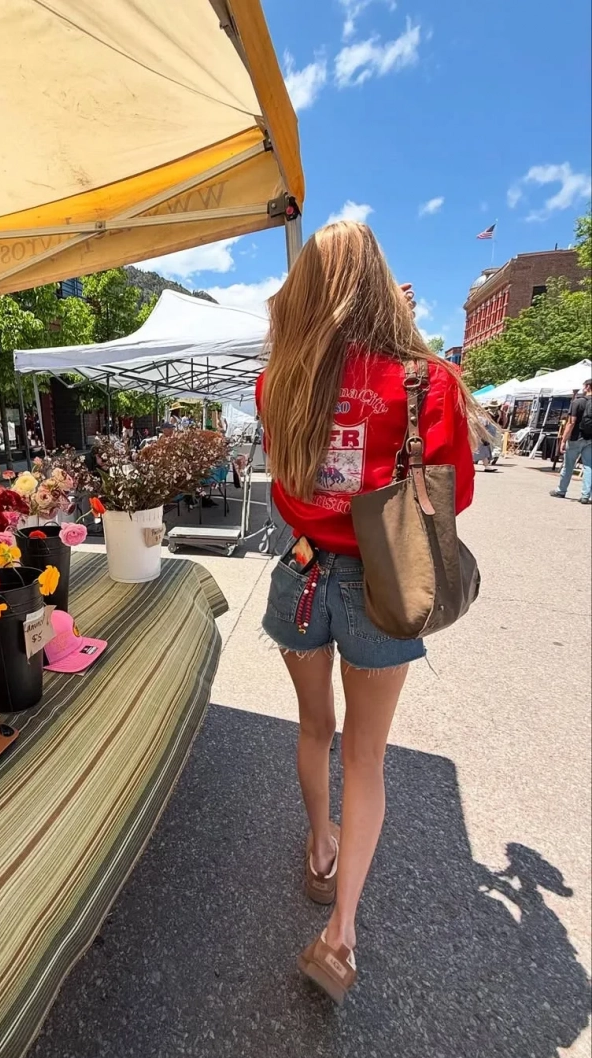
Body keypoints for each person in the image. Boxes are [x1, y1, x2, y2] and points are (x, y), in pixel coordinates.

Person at [257, 221, 480, 1004]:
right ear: (382, 282)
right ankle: (342, 929)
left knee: (313, 728)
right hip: (383, 585)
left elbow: (284, 482)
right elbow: (456, 494)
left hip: (302, 573)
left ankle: (318, 849)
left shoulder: (280, 379)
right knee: (366, 755)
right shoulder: (430, 381)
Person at [550, 378, 592, 503]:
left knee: (568, 465)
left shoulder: (577, 402)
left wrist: (564, 439)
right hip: (590, 438)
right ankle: (585, 495)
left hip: (575, 437)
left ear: (587, 387)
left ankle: (561, 490)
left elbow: (571, 422)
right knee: (588, 466)